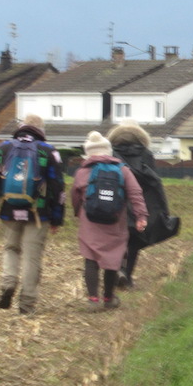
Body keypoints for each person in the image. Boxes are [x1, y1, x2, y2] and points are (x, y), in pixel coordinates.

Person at [0, 114, 66, 315]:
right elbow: (58, 188)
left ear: (21, 127)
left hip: (9, 209)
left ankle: (8, 282)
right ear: (41, 130)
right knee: (32, 256)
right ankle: (27, 304)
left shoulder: (4, 148)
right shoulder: (49, 151)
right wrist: (57, 217)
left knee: (11, 248)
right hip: (39, 213)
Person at [72, 131, 147, 311]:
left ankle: (93, 300)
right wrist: (141, 216)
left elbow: (75, 196)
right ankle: (108, 298)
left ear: (88, 153)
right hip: (115, 220)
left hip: (90, 221)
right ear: (108, 150)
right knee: (112, 259)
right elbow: (135, 193)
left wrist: (78, 212)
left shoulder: (82, 172)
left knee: (91, 258)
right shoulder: (123, 170)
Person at [107, 120, 180, 288]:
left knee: (116, 239)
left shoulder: (111, 152)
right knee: (135, 241)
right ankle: (127, 276)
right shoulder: (146, 154)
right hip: (140, 202)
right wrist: (162, 209)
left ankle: (118, 270)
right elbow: (154, 181)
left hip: (117, 201)